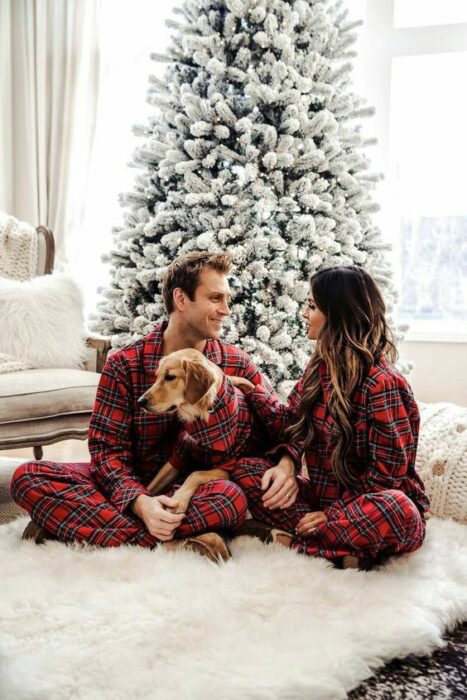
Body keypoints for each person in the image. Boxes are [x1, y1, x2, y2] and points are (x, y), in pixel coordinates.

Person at [10, 252, 275, 560]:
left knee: (230, 500)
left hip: (195, 494)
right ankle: (168, 544)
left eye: (227, 299)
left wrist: (284, 463)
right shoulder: (125, 364)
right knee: (28, 478)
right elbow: (107, 451)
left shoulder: (235, 362)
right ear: (181, 299)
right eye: (215, 298)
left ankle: (74, 526)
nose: (226, 310)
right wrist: (140, 502)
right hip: (132, 485)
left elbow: (278, 427)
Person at [231, 266, 429, 569]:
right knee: (246, 470)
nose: (304, 313)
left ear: (336, 313)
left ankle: (297, 542)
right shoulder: (319, 368)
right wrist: (252, 392)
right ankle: (342, 549)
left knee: (399, 510)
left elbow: (387, 476)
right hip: (322, 499)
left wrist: (334, 515)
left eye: (311, 306)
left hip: (369, 507)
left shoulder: (382, 383)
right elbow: (291, 425)